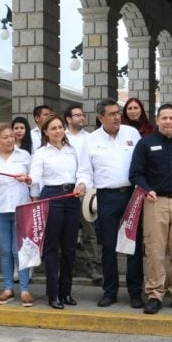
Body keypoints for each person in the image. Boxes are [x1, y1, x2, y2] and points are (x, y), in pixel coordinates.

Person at [129, 103, 172, 315]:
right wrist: (146, 189)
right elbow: (135, 174)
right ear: (157, 120)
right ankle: (154, 294)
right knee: (154, 250)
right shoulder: (145, 144)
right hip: (154, 202)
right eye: (164, 118)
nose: (168, 121)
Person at [80, 98, 144, 309]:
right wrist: (82, 185)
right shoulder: (90, 140)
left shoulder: (132, 134)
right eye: (112, 114)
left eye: (118, 112)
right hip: (105, 198)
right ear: (100, 118)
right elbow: (85, 171)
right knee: (108, 247)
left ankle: (135, 292)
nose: (117, 117)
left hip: (131, 196)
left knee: (133, 246)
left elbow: (141, 164)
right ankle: (110, 291)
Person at [29, 114, 89, 309]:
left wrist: (81, 184)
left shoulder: (73, 150)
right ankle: (53, 294)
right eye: (53, 128)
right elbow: (35, 177)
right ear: (45, 132)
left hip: (71, 197)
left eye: (60, 127)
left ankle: (66, 292)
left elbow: (84, 171)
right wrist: (28, 179)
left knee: (70, 248)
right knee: (52, 248)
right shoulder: (41, 153)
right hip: (52, 197)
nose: (58, 131)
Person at [0, 123, 34, 307]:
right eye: (5, 137)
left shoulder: (24, 156)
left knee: (19, 250)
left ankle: (25, 289)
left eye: (12, 136)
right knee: (5, 251)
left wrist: (28, 179)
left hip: (21, 209)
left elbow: (34, 180)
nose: (10, 140)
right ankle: (7, 288)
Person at [64, 104, 102, 282]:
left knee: (89, 231)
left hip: (86, 190)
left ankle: (93, 264)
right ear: (68, 119)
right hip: (65, 189)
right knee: (67, 231)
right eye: (77, 115)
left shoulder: (90, 138)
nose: (82, 118)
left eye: (82, 115)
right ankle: (67, 265)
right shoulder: (60, 136)